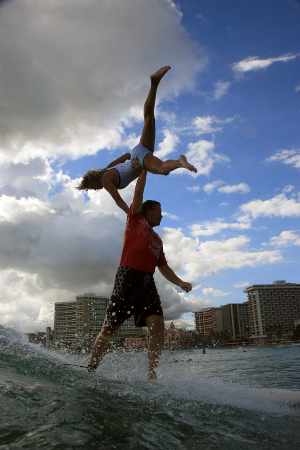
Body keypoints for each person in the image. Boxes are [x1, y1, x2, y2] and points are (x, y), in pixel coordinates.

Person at [88, 164, 192, 380]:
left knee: (157, 325)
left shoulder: (157, 240)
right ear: (148, 211)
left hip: (147, 282)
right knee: (110, 330)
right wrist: (143, 170)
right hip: (127, 277)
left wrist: (180, 282)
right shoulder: (135, 221)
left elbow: (162, 266)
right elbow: (138, 192)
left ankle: (151, 375)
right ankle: (91, 368)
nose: (162, 216)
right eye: (159, 212)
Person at [77, 66, 197, 214]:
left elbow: (118, 201)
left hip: (140, 159)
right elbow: (127, 155)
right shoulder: (109, 168)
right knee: (149, 119)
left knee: (161, 168)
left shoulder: (105, 181)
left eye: (92, 187)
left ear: (94, 181)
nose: (96, 189)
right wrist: (133, 165)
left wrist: (131, 216)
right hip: (139, 151)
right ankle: (154, 84)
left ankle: (180, 162)